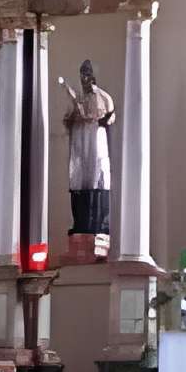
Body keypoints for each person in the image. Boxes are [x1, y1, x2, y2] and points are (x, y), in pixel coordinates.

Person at [65, 59, 115, 240]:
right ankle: (81, 224)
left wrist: (92, 119)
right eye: (82, 75)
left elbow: (107, 117)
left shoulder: (101, 96)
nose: (84, 79)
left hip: (96, 145)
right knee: (80, 184)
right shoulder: (80, 98)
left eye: (87, 75)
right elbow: (69, 119)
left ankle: (97, 224)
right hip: (81, 148)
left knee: (97, 181)